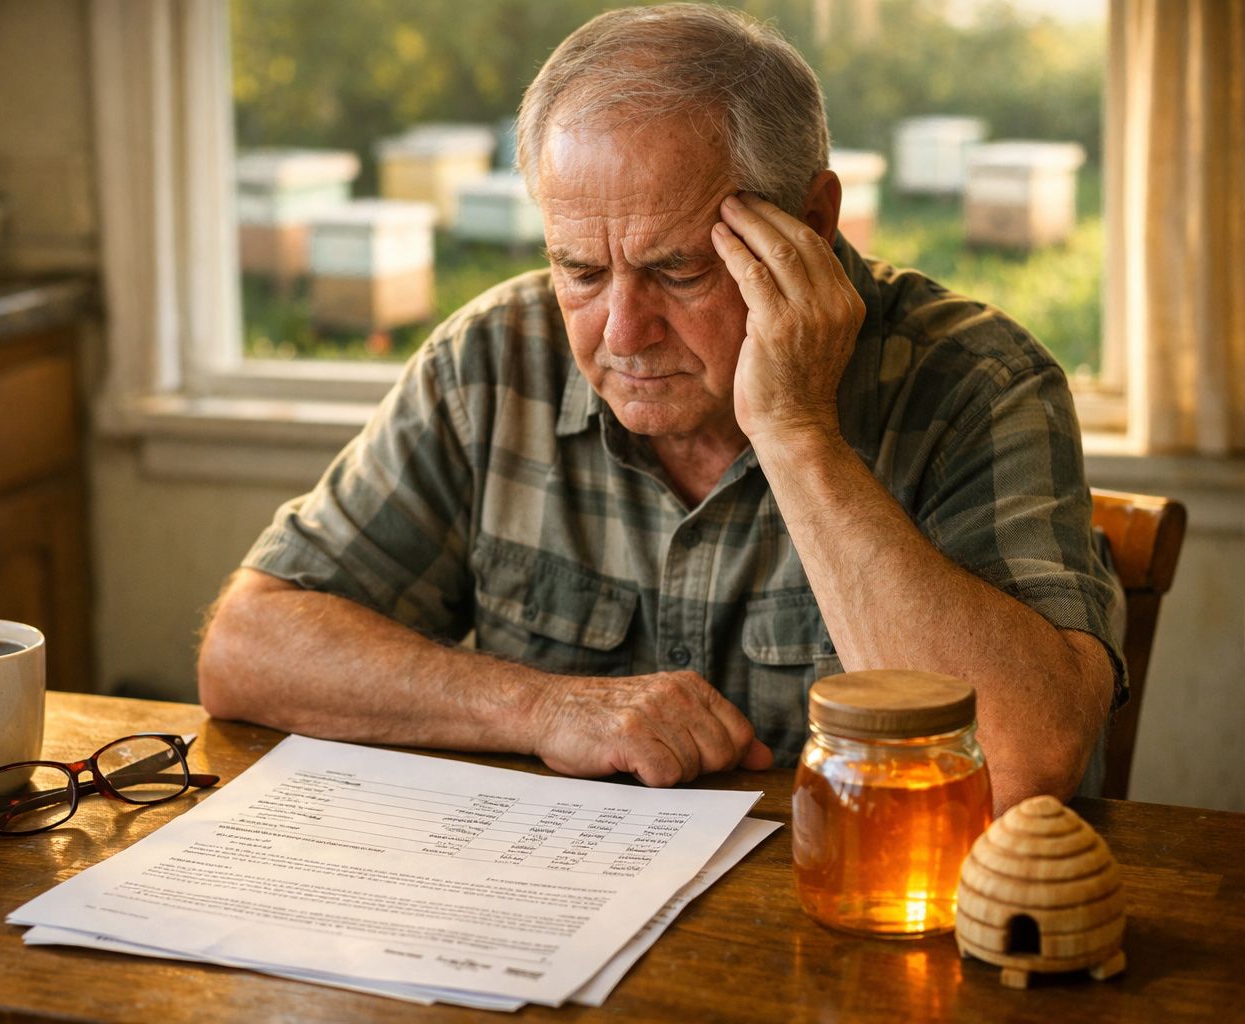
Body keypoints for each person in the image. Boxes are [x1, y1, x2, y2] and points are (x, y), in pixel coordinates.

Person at [197, 3, 1123, 812]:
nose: (623, 331)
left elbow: (1022, 760)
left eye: (679, 269)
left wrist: (797, 432)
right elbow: (247, 649)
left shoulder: (978, 383)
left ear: (814, 220)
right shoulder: (494, 358)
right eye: (581, 270)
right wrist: (540, 706)